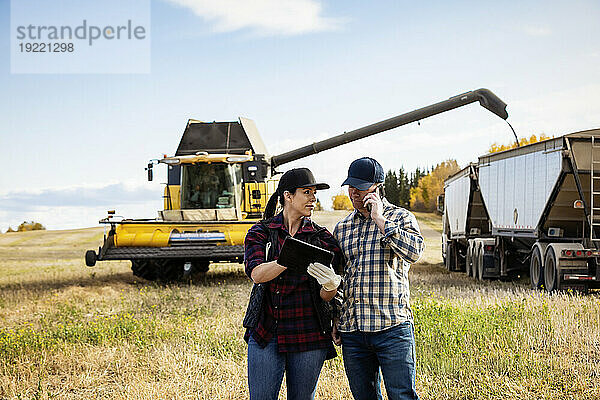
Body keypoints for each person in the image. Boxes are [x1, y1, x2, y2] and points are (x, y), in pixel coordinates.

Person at [243, 167, 344, 400]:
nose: (313, 198)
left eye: (314, 193)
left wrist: (330, 287)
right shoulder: (262, 232)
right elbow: (257, 274)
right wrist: (291, 257)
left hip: (308, 333)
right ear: (288, 195)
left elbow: (326, 295)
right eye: (306, 192)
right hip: (267, 332)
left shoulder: (322, 239)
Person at [332, 157, 425, 400]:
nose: (354, 192)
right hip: (354, 332)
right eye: (350, 186)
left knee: (402, 395)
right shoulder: (342, 229)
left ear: (377, 188)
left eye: (360, 187)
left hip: (392, 329)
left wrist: (380, 220)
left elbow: (414, 252)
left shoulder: (402, 218)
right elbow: (337, 279)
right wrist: (336, 317)